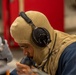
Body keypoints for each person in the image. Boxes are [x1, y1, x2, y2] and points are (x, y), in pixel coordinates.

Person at [10, 11, 76, 75]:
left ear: (41, 39)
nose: (25, 53)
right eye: (22, 47)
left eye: (26, 46)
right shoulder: (38, 53)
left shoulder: (72, 54)